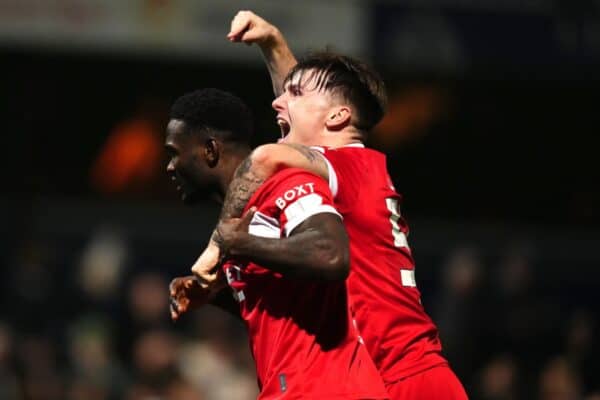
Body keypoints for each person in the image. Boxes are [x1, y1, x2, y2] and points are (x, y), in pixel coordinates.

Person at [184, 11, 468, 400]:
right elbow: (309, 104)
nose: (278, 102)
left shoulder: (351, 166)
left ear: (338, 116)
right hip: (391, 376)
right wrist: (274, 44)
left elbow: (265, 157)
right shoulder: (352, 169)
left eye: (294, 94)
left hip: (406, 378)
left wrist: (219, 245)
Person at [165, 88, 389, 399]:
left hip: (329, 390)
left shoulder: (286, 184)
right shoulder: (243, 217)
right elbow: (282, 306)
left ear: (210, 151)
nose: (170, 166)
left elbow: (332, 254)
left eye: (174, 153)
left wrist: (237, 242)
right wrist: (214, 295)